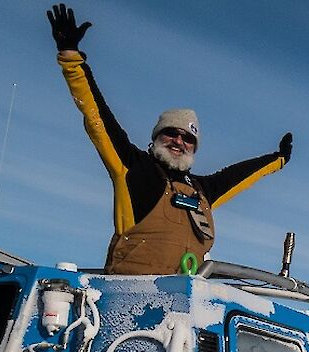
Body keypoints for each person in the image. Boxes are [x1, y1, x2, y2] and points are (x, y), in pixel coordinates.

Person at [47, 4, 293, 275]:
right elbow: (98, 117)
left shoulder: (203, 191)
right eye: (171, 133)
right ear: (156, 137)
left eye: (188, 138)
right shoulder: (133, 168)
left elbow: (240, 175)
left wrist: (278, 159)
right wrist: (71, 57)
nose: (179, 141)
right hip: (128, 298)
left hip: (184, 307)